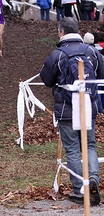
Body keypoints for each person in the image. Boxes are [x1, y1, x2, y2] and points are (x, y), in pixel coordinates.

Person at [40, 17, 103, 206]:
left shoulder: (57, 54)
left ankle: (80, 189)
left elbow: (46, 80)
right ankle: (93, 181)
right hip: (87, 105)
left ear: (61, 31)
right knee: (89, 145)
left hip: (67, 108)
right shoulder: (91, 51)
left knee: (73, 149)